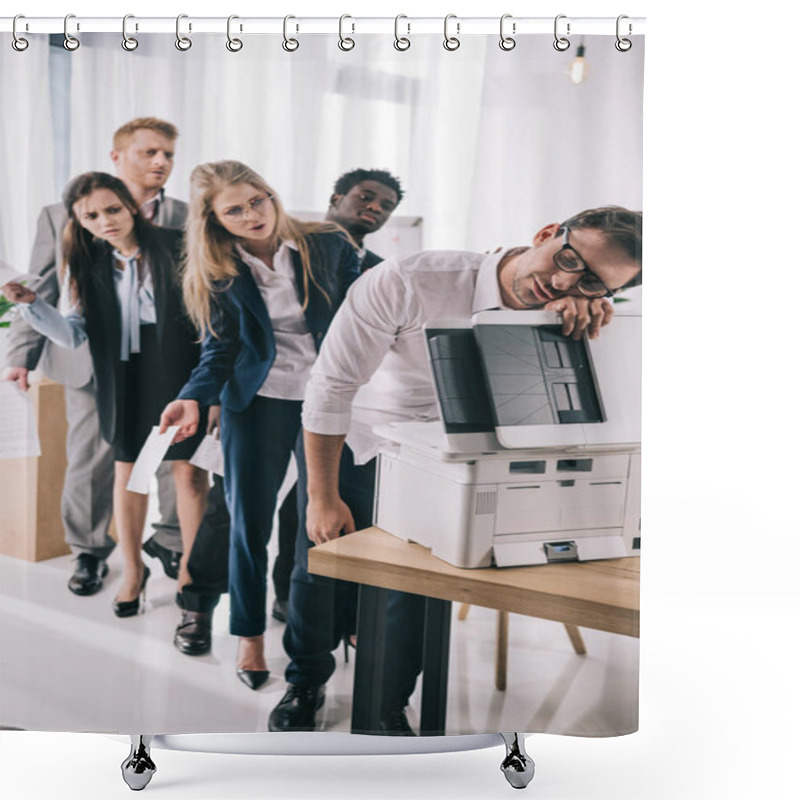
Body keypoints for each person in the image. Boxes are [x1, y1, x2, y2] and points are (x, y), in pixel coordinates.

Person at [269, 205, 643, 734]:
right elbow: (331, 388)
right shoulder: (410, 280)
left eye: (592, 283)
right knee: (318, 569)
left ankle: (387, 703)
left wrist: (586, 328)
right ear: (543, 232)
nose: (564, 281)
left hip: (446, 461)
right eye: (567, 258)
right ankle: (305, 679)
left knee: (418, 589)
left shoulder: (569, 310)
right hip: (357, 438)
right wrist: (323, 496)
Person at [159, 160, 360, 690]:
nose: (252, 214)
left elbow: (373, 307)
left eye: (258, 200)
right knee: (249, 527)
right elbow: (220, 350)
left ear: (271, 195)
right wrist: (192, 399)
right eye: (235, 210)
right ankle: (248, 637)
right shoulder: (218, 270)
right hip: (259, 401)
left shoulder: (328, 244)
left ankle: (317, 639)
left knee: (318, 524)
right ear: (215, 220)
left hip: (330, 401)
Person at [1, 172, 209, 618]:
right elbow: (73, 333)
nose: (105, 221)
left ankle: (192, 575)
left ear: (131, 206)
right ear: (78, 221)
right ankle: (133, 570)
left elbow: (210, 317)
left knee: (187, 475)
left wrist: (213, 390)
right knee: (129, 472)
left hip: (179, 367)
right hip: (122, 374)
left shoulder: (178, 243)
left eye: (112, 209)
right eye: (90, 215)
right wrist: (31, 304)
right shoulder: (89, 262)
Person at [271, 168, 404, 624]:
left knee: (315, 498)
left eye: (386, 206)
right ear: (336, 197)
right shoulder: (294, 247)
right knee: (246, 503)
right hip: (278, 392)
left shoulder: (381, 271)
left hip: (342, 402)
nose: (375, 208)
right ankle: (279, 594)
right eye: (367, 197)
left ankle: (325, 605)